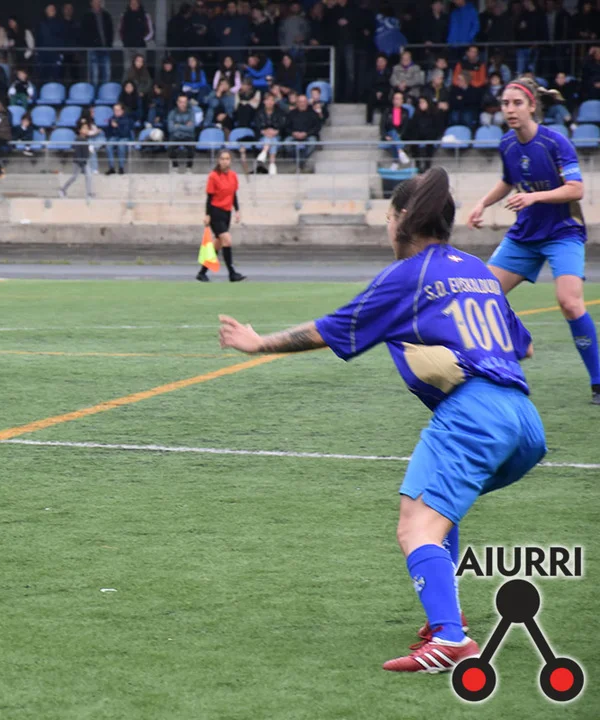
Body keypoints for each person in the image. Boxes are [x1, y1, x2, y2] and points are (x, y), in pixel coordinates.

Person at [218, 167, 546, 672]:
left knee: (415, 526)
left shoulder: (407, 274)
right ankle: (447, 618)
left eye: (388, 218)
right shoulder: (475, 268)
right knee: (439, 510)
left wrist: (259, 343)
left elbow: (332, 329)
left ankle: (452, 641)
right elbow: (523, 345)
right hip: (523, 419)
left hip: (473, 414)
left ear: (403, 219)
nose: (387, 228)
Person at [467, 78, 600, 405]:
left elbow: (576, 189)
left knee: (570, 303)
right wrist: (482, 203)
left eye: (516, 103)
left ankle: (598, 381)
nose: (510, 109)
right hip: (525, 236)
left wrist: (534, 197)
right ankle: (511, 352)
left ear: (532, 106)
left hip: (563, 232)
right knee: (481, 294)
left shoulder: (556, 142)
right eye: (505, 104)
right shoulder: (507, 144)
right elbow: (508, 180)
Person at [197, 150, 245, 283]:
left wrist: (237, 210)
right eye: (222, 159)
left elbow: (233, 194)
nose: (225, 161)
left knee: (218, 244)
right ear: (218, 160)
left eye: (227, 159)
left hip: (226, 212)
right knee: (227, 240)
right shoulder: (213, 176)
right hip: (215, 211)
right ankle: (232, 273)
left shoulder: (233, 176)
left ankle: (202, 273)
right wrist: (207, 214)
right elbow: (209, 197)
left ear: (230, 161)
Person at [59, 122, 93, 198]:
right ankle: (62, 190)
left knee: (89, 176)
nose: (86, 130)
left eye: (87, 128)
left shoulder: (86, 140)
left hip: (85, 161)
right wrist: (81, 163)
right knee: (74, 177)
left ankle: (89, 194)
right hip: (78, 162)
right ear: (80, 130)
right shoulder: (78, 139)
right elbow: (78, 152)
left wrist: (89, 152)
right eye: (84, 128)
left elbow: (85, 152)